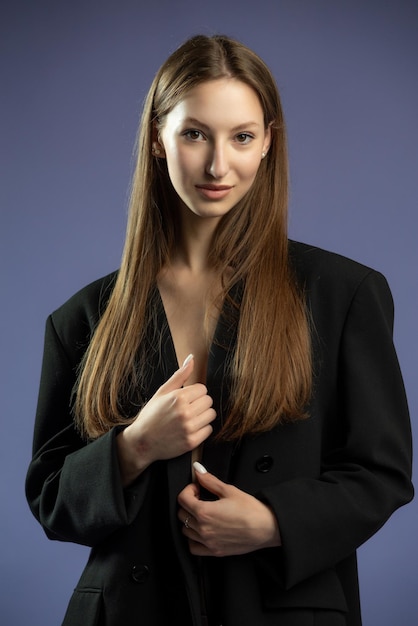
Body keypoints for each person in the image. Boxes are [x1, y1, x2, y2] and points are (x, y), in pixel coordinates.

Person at [25, 34, 413, 626]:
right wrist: (134, 448)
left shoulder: (344, 294)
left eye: (242, 137)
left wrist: (272, 522)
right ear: (158, 139)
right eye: (193, 133)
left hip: (280, 607)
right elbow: (52, 500)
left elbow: (381, 472)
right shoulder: (83, 317)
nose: (217, 165)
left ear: (267, 145)